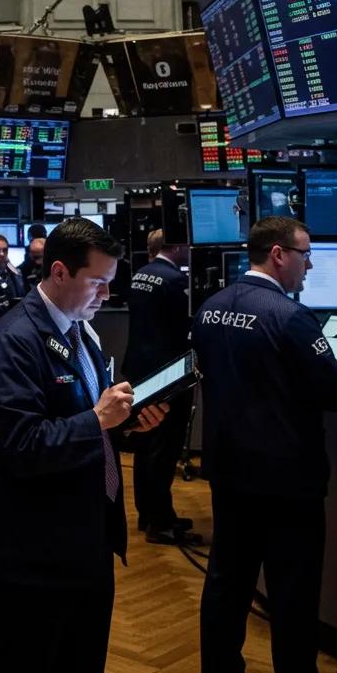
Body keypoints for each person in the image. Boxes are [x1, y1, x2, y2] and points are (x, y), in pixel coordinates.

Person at [0, 218, 168, 673]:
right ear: (59, 272)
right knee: (25, 672)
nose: (105, 295)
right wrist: (98, 419)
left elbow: (85, 423)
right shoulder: (12, 343)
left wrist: (125, 425)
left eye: (109, 284)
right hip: (35, 550)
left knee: (80, 670)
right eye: (97, 283)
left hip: (87, 538)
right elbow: (22, 446)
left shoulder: (83, 332)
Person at [192, 216, 337, 673]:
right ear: (278, 254)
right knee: (293, 600)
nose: (309, 265)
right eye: (305, 254)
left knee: (226, 589)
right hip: (288, 484)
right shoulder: (292, 317)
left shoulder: (210, 307)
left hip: (230, 475)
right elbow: (333, 390)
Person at [123, 229, 200, 545]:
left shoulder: (140, 274)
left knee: (146, 446)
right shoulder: (175, 281)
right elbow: (188, 327)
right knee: (163, 449)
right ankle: (160, 522)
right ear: (175, 247)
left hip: (140, 371)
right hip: (169, 376)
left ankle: (149, 514)